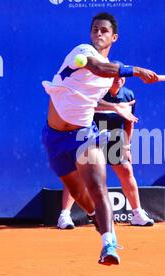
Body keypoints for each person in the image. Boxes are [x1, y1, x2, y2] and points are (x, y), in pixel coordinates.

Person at [41, 12, 158, 265]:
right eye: (95, 29)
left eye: (104, 30)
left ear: (113, 37)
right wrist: (137, 70)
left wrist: (115, 108)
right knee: (78, 193)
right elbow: (99, 68)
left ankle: (109, 244)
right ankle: (96, 217)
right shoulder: (83, 52)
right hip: (55, 137)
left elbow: (90, 101)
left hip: (84, 134)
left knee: (97, 186)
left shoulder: (107, 82)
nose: (98, 34)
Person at [57, 74, 155, 230]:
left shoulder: (128, 95)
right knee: (77, 174)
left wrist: (127, 146)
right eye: (115, 77)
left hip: (114, 136)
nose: (119, 79)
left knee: (126, 171)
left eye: (122, 77)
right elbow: (87, 106)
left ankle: (137, 214)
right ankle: (64, 215)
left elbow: (129, 121)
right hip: (90, 136)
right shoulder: (97, 91)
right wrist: (113, 107)